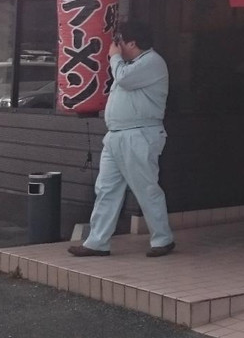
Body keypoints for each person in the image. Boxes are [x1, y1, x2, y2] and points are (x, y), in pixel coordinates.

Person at [68, 20, 176, 258]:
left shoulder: (152, 62)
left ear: (132, 42)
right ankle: (97, 242)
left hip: (139, 133)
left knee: (146, 188)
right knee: (106, 189)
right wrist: (118, 60)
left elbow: (125, 79)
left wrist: (114, 58)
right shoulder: (130, 64)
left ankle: (163, 238)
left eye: (119, 41)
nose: (115, 46)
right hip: (117, 134)